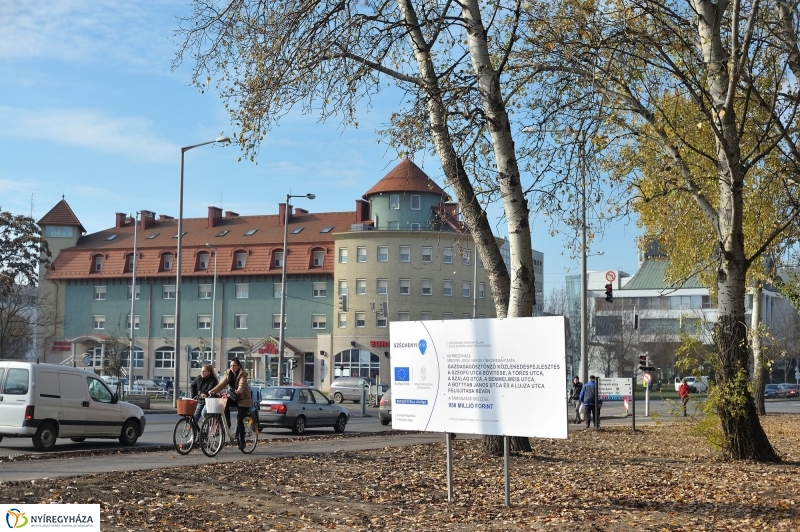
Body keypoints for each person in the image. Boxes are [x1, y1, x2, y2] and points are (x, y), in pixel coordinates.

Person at [209, 357, 252, 449]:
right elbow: (221, 384)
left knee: (240, 420)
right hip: (234, 397)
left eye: (234, 366)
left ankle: (242, 442)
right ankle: (227, 422)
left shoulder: (242, 374)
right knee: (223, 403)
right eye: (231, 365)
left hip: (244, 399)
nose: (232, 367)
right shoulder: (229, 373)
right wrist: (212, 391)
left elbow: (242, 384)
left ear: (238, 366)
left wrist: (239, 390)